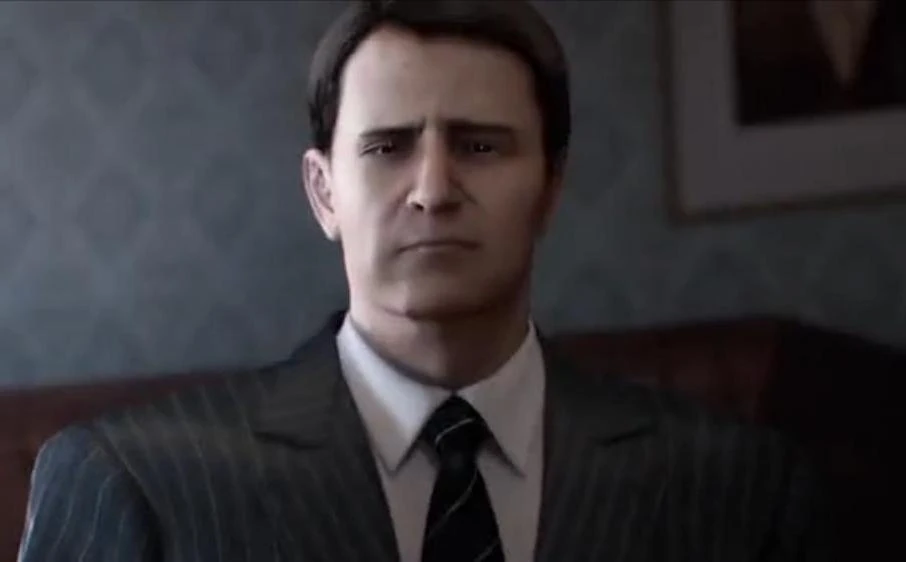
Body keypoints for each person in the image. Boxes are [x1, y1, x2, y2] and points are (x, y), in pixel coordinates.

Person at [18, 1, 831, 561]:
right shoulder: (137, 484)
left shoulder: (737, 485)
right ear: (323, 193)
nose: (434, 190)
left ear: (551, 188)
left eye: (480, 146)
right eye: (387, 147)